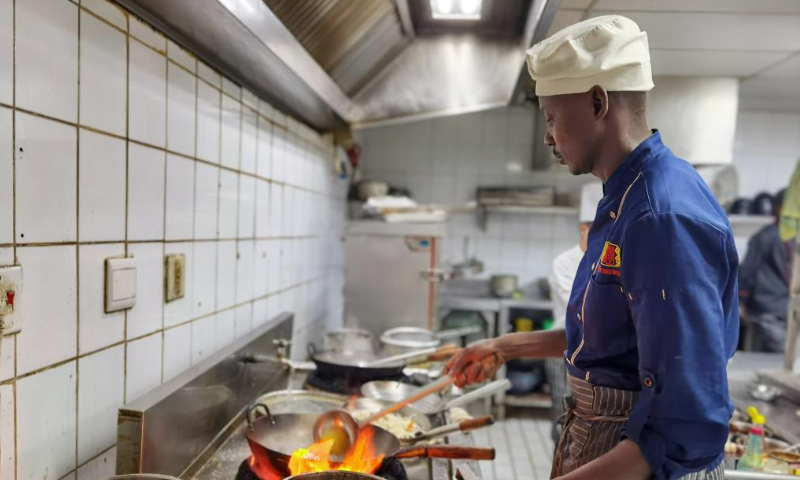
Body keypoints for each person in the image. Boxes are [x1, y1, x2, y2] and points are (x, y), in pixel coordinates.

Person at [444, 15, 738, 480]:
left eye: (551, 117)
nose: (547, 136)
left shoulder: (660, 217)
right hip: (607, 450)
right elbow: (612, 336)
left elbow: (685, 425)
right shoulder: (624, 199)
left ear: (598, 102)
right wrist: (504, 347)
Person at [545, 182, 603, 446]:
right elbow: (582, 308)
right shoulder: (565, 262)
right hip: (563, 351)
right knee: (564, 421)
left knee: (588, 429)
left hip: (597, 357)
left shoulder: (610, 260)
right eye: (599, 229)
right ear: (583, 229)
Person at [739, 189, 790, 352]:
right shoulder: (765, 238)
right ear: (780, 209)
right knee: (776, 356)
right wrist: (740, 302)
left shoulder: (792, 239)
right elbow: (746, 272)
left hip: (786, 310)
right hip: (767, 312)